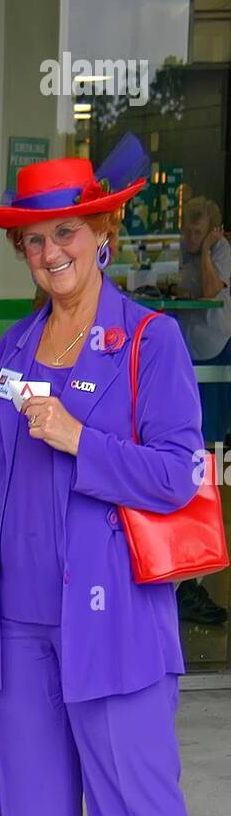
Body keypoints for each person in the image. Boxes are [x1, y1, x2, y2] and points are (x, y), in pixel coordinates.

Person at [0, 143, 203, 816]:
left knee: (134, 800)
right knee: (31, 794)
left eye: (66, 232)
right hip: (21, 616)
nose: (49, 252)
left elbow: (181, 471)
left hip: (115, 622)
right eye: (32, 240)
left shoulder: (151, 339)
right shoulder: (13, 344)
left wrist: (77, 438)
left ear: (102, 233)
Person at [171, 196, 230, 626]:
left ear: (212, 230)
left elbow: (213, 293)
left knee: (210, 457)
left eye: (197, 231)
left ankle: (200, 564)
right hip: (189, 359)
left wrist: (208, 250)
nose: (190, 238)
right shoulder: (188, 254)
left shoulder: (219, 254)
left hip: (215, 360)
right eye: (187, 231)